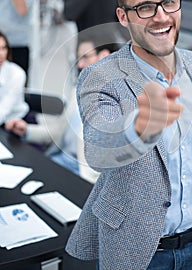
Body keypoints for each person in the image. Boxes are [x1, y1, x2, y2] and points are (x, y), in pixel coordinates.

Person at [65, 0, 192, 270]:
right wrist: (138, 127)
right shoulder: (100, 77)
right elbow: (99, 150)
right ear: (123, 17)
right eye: (145, 7)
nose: (161, 17)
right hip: (138, 252)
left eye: (169, 2)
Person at [5, 33, 121, 183]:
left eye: (85, 57)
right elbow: (58, 132)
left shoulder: (119, 101)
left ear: (104, 56)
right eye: (79, 59)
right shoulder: (78, 90)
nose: (80, 65)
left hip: (83, 175)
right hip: (59, 161)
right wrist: (27, 130)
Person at [0, 31, 29, 126]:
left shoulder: (17, 74)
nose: (1, 54)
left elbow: (4, 109)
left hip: (16, 123)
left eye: (3, 48)